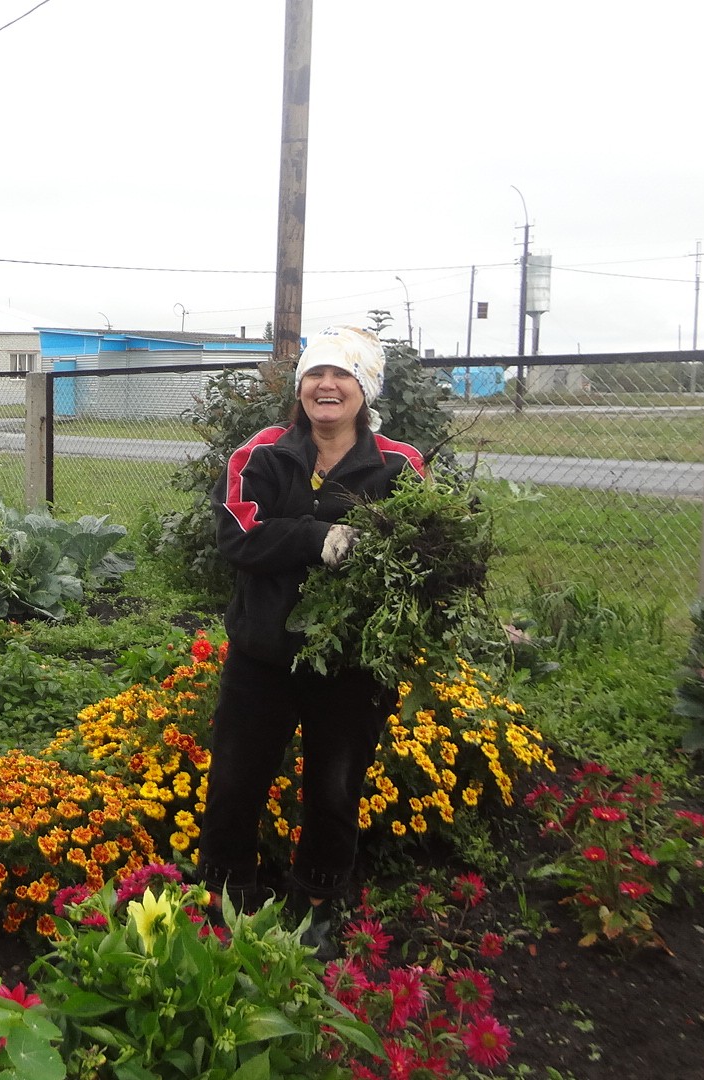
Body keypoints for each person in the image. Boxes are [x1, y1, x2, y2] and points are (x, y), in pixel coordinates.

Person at [198, 324, 426, 956]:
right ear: (300, 388)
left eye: (342, 374)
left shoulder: (400, 465)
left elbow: (417, 549)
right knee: (236, 778)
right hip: (263, 655)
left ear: (365, 387)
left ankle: (315, 902)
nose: (327, 385)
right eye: (315, 374)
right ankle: (226, 892)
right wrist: (316, 537)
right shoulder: (262, 454)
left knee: (335, 785)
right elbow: (238, 535)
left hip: (353, 663)